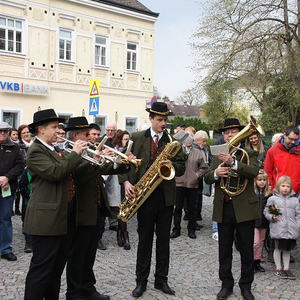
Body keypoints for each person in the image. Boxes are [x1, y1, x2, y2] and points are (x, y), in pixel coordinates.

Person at [119, 102, 186, 298]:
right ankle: (141, 282)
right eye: (159, 120)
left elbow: (181, 167)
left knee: (163, 241)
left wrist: (170, 163)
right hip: (143, 197)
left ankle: (161, 280)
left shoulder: (173, 141)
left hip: (165, 197)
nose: (163, 123)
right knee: (144, 240)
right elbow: (124, 162)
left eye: (165, 120)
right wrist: (126, 183)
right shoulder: (138, 137)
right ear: (151, 119)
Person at [24, 109, 87, 300]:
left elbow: (68, 169)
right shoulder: (35, 150)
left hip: (62, 216)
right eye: (54, 127)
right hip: (45, 220)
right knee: (41, 270)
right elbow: (56, 172)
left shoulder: (54, 149)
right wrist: (75, 153)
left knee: (56, 269)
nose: (58, 131)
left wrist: (95, 158)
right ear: (41, 129)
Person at [65, 117, 131, 300]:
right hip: (80, 210)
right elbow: (78, 174)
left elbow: (106, 168)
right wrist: (94, 159)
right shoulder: (68, 151)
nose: (91, 137)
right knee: (78, 255)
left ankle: (88, 288)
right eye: (87, 134)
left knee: (89, 253)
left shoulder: (88, 150)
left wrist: (123, 162)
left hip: (96, 208)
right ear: (75, 135)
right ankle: (74, 292)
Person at [204, 118, 259, 300]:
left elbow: (253, 173)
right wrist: (215, 173)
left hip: (244, 209)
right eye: (226, 132)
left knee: (246, 250)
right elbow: (206, 178)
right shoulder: (217, 152)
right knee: (224, 250)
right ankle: (226, 284)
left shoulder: (248, 152)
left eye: (234, 131)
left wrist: (234, 162)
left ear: (240, 133)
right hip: (224, 207)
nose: (230, 134)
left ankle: (246, 286)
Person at [170, 130, 208, 239]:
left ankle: (191, 230)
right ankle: (176, 229)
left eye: (190, 139)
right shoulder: (177, 151)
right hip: (179, 183)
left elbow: (204, 167)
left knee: (192, 209)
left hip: (192, 184)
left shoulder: (198, 152)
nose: (188, 141)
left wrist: (196, 175)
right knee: (177, 209)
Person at [263, 176, 300, 280]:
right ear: (278, 186)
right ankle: (279, 268)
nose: (285, 188)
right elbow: (266, 211)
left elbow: (298, 215)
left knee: (288, 250)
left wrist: (298, 226)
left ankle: (287, 268)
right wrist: (271, 217)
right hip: (278, 228)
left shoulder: (295, 200)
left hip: (291, 230)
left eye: (288, 186)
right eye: (283, 186)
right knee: (278, 248)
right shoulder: (273, 199)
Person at [0, 121, 24, 261]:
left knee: (5, 219)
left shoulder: (15, 148)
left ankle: (5, 249)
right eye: (0, 130)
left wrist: (7, 177)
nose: (2, 133)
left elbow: (20, 165)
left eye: (5, 130)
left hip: (7, 189)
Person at [264, 125, 300, 196]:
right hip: (277, 193)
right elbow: (268, 172)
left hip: (296, 193)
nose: (293, 142)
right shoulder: (272, 151)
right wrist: (271, 188)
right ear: (284, 135)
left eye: (295, 140)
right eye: (290, 139)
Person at [112, 130, 131, 250]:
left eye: (129, 139)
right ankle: (124, 235)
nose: (128, 142)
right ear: (120, 140)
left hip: (129, 184)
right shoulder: (115, 151)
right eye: (125, 140)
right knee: (120, 209)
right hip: (117, 184)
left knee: (125, 210)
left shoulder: (131, 152)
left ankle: (121, 233)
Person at [253, 170, 271, 273]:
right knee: (255, 242)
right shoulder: (253, 193)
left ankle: (257, 262)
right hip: (254, 221)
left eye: (264, 180)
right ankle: (251, 261)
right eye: (259, 180)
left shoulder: (268, 194)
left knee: (261, 242)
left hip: (264, 222)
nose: (262, 182)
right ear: (255, 181)